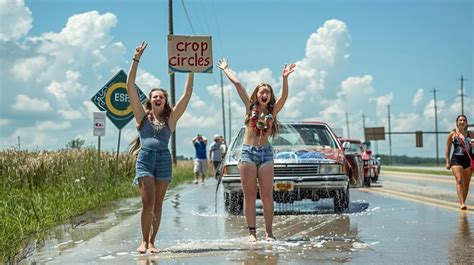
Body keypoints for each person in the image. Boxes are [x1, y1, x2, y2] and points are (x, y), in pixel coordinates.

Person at [217, 58, 296, 242]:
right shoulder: (249, 107)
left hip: (266, 153)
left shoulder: (272, 111)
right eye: (262, 91)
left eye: (268, 92)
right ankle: (252, 233)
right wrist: (226, 69)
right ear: (257, 94)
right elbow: (238, 85)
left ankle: (269, 233)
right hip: (248, 153)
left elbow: (284, 97)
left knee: (267, 195)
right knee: (250, 195)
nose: (265, 94)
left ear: (269, 96)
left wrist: (285, 78)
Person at [127, 41, 194, 253]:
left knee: (158, 204)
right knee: (147, 203)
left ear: (165, 101)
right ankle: (144, 241)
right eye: (154, 96)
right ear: (151, 100)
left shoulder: (171, 120)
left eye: (161, 97)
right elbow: (129, 87)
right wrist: (136, 59)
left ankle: (153, 241)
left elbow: (186, 97)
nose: (157, 98)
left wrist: (191, 71)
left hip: (164, 160)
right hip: (145, 159)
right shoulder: (142, 117)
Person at [445, 114, 474, 210]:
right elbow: (447, 148)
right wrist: (447, 161)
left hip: (468, 161)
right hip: (456, 160)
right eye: (460, 120)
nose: (462, 122)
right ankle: (461, 203)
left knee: (466, 183)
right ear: (457, 122)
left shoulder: (471, 134)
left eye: (464, 120)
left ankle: (463, 202)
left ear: (466, 123)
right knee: (459, 180)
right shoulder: (452, 134)